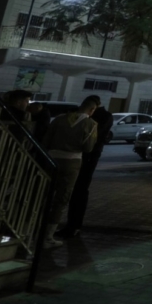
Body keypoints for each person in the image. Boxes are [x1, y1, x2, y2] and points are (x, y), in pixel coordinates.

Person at [41, 96, 99, 248]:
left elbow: (46, 140)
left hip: (51, 159)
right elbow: (88, 148)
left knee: (43, 194)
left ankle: (32, 229)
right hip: (72, 162)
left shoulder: (59, 119)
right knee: (62, 198)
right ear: (92, 110)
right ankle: (48, 236)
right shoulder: (91, 124)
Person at [56, 95, 113, 240]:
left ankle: (70, 225)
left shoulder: (82, 117)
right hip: (86, 157)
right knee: (77, 190)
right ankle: (71, 225)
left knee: (73, 190)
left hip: (80, 157)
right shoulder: (102, 117)